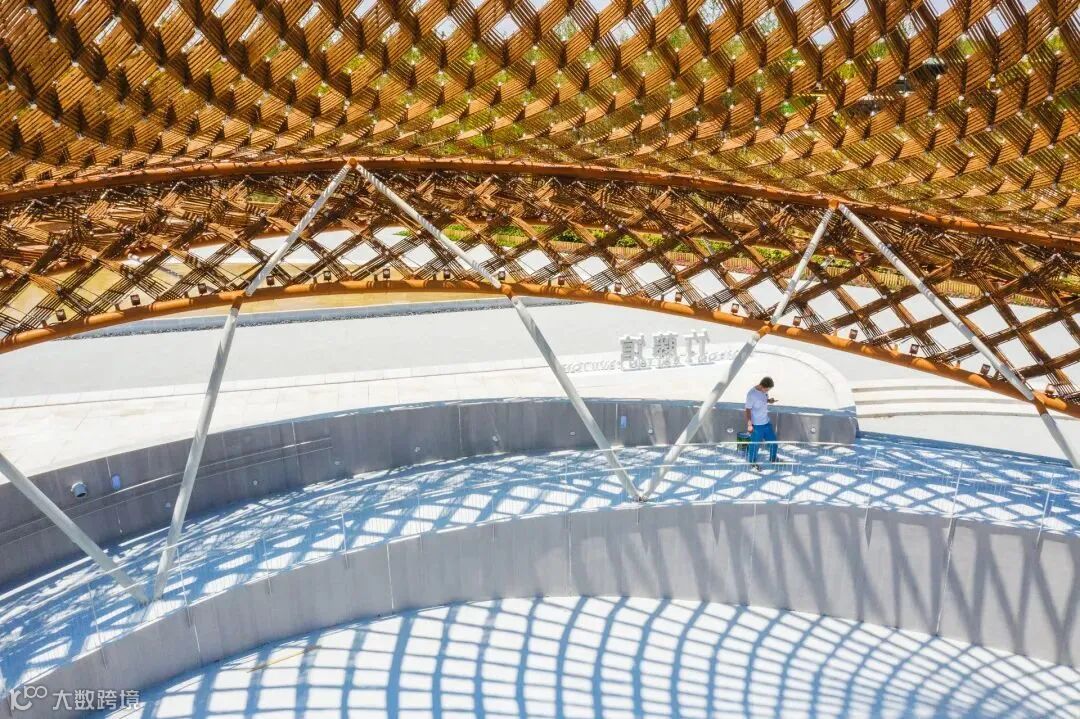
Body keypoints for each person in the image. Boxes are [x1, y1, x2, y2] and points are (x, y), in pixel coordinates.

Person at [745, 377, 778, 469]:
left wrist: (769, 401)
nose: (767, 391)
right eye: (767, 389)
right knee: (755, 445)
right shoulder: (751, 394)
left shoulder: (764, 392)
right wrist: (749, 424)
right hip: (756, 425)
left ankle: (773, 459)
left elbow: (762, 400)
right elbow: (747, 409)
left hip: (766, 422)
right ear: (762, 386)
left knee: (773, 442)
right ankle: (752, 462)